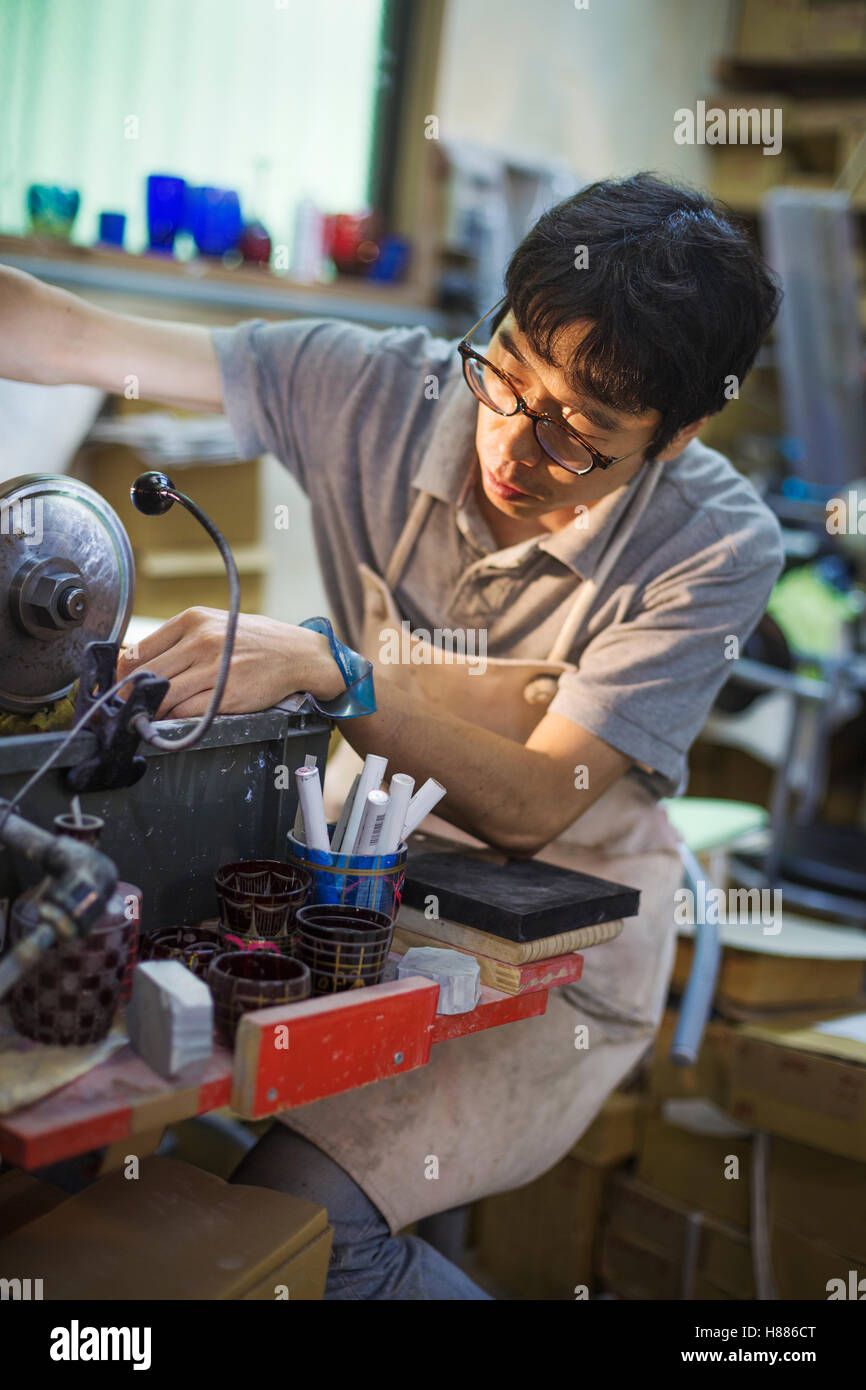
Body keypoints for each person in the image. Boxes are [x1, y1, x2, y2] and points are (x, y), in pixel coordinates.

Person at [0, 173, 784, 1299]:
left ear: (674, 436)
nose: (512, 442)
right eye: (508, 376)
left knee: (300, 1227)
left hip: (567, 944)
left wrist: (341, 675)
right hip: (372, 893)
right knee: (94, 1144)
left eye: (579, 434)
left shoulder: (717, 545)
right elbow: (71, 329)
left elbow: (533, 804)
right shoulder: (374, 388)